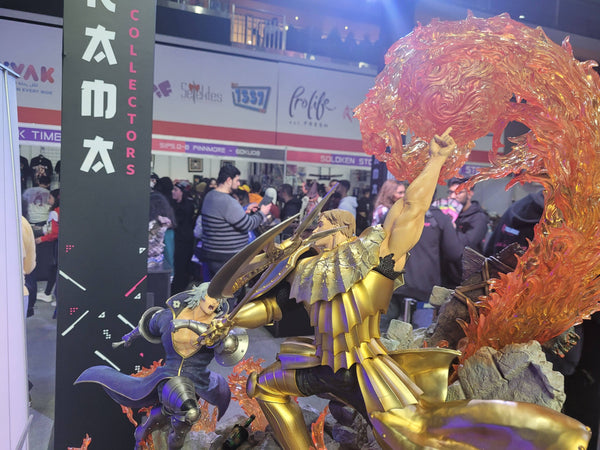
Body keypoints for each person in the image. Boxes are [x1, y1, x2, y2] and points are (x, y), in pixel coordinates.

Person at [202, 128, 590, 449]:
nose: (314, 229)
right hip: (317, 364)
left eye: (321, 225)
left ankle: (546, 432)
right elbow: (272, 309)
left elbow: (411, 209)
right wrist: (230, 320)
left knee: (412, 434)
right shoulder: (307, 272)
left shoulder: (376, 260)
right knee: (263, 386)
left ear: (340, 230)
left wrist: (435, 160)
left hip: (364, 370)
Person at [75, 283, 231, 449]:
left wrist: (223, 339)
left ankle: (144, 430)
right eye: (212, 297)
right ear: (200, 295)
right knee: (189, 413)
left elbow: (229, 350)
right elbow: (147, 325)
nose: (215, 302)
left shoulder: (219, 326)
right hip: (168, 377)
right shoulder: (167, 317)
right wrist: (130, 336)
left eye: (219, 300)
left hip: (199, 380)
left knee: (165, 415)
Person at [199, 164, 270, 280]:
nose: (238, 184)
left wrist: (244, 209)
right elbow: (247, 224)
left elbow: (225, 218)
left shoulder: (210, 196)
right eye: (237, 180)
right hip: (227, 258)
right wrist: (262, 213)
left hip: (212, 254)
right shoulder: (227, 201)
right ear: (228, 180)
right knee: (229, 290)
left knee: (215, 288)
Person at [445, 177, 490, 286]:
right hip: (447, 277)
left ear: (469, 194)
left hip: (468, 280)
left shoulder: (478, 218)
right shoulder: (448, 215)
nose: (452, 196)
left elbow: (467, 245)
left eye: (458, 192)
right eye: (450, 192)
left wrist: (452, 228)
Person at [484, 189, 544, 257]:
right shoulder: (547, 221)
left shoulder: (515, 208)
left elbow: (491, 245)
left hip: (495, 260)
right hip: (521, 262)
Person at [35, 189, 60, 304]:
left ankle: (50, 294)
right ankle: (49, 293)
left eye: (50, 198)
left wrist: (42, 239)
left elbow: (54, 233)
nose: (48, 200)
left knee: (55, 268)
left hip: (58, 245)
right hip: (65, 244)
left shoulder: (55, 212)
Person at [171, 180, 195, 294]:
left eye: (176, 190)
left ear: (181, 192)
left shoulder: (188, 206)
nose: (173, 192)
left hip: (184, 240)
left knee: (182, 265)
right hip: (178, 239)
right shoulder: (172, 204)